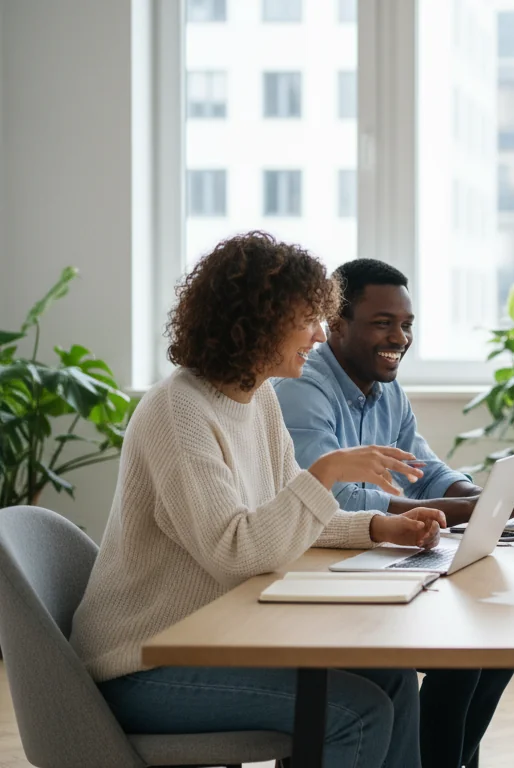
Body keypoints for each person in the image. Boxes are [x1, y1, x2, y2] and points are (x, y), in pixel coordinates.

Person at [71, 232, 445, 768]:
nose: (320, 335)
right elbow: (235, 551)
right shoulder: (178, 412)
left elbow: (285, 516)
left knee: (393, 679)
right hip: (144, 664)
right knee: (356, 713)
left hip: (212, 638)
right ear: (257, 322)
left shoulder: (257, 398)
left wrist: (377, 528)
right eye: (308, 320)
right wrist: (326, 472)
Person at [274, 257, 514, 768]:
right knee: (463, 650)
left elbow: (425, 472)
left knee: (493, 643)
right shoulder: (302, 389)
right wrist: (466, 510)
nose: (400, 338)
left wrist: (482, 496)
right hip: (318, 579)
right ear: (336, 324)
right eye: (383, 323)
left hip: (369, 566)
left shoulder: (386, 391)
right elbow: (334, 500)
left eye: (407, 324)